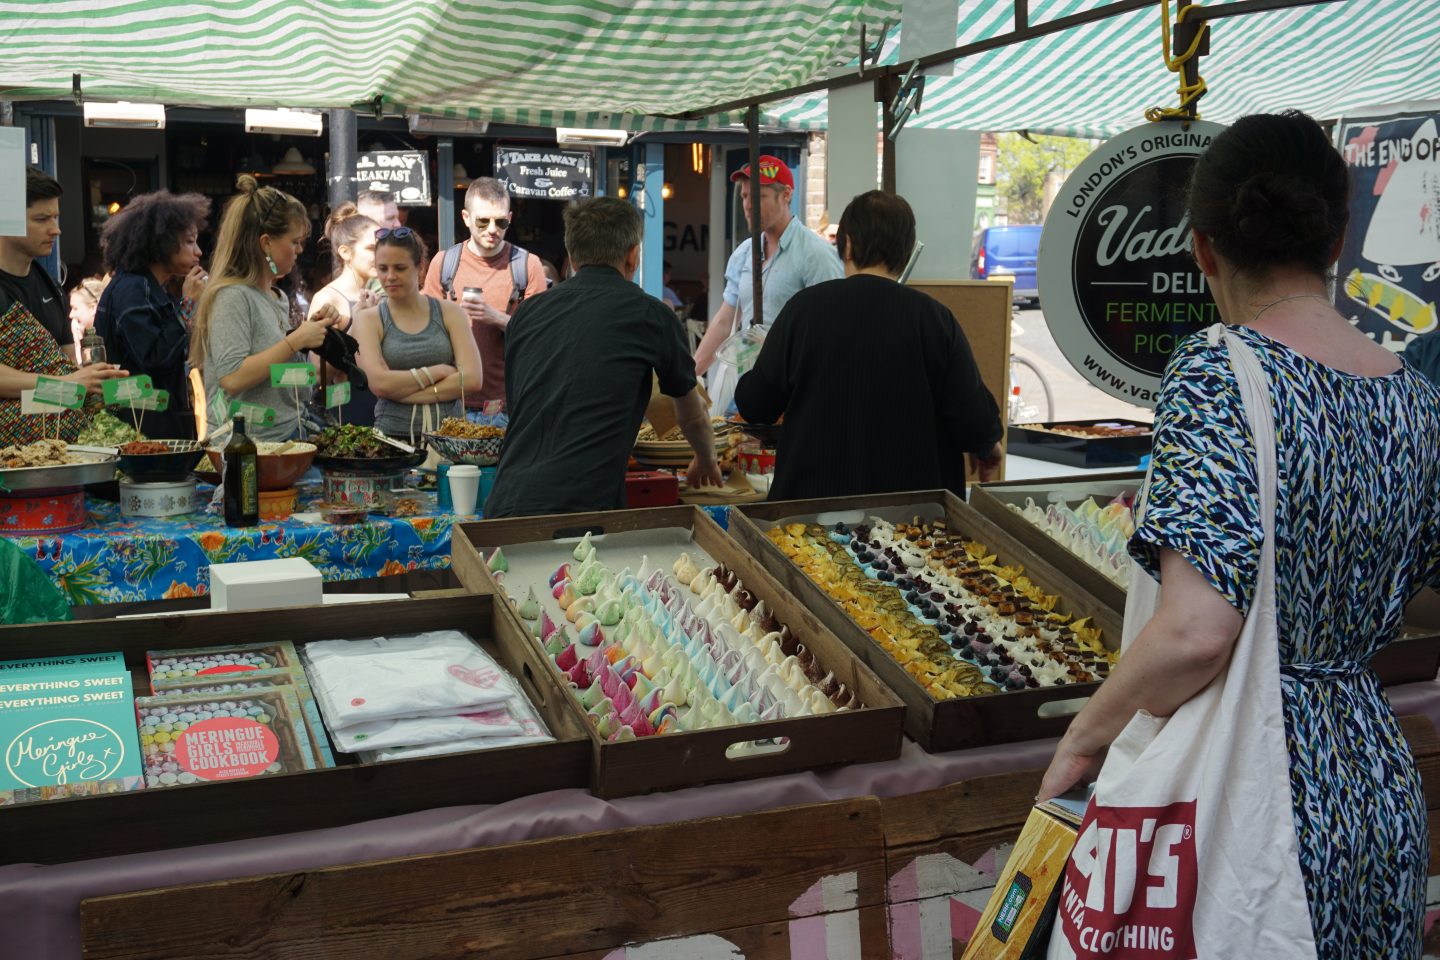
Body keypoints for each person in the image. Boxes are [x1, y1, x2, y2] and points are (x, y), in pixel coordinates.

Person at [1038, 112, 1440, 956]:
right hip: (1373, 780)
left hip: (1257, 799)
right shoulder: (1415, 396)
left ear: (1203, 248)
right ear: (1338, 241)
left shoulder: (1218, 369)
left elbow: (1195, 631)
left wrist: (1086, 733)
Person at [735, 191, 1003, 498]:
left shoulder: (804, 310)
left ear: (847, 244)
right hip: (913, 522)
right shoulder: (934, 319)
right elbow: (971, 414)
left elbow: (757, 405)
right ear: (906, 252)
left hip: (810, 515)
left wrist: (749, 368)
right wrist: (987, 443)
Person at [486, 197, 721, 517]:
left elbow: (520, 406)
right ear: (633, 257)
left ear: (570, 259)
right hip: (584, 510)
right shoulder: (652, 315)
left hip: (506, 502)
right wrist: (706, 460)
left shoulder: (526, 313)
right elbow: (691, 415)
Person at [692, 155, 843, 415]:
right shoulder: (744, 254)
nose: (749, 205)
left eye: (759, 197)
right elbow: (724, 321)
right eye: (745, 197)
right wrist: (688, 376)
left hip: (794, 394)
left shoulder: (815, 254)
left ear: (786, 195)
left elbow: (832, 330)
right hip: (746, 387)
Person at [192, 175, 336, 442]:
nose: (299, 250)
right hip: (245, 451)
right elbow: (233, 377)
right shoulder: (232, 296)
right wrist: (296, 340)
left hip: (286, 440)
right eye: (294, 242)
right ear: (266, 243)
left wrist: (311, 332)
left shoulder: (276, 296)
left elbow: (274, 365)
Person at [0, 167, 127, 445]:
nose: (55, 229)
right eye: (41, 219)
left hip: (57, 451)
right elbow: (65, 381)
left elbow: (67, 368)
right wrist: (64, 384)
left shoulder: (51, 287)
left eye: (55, 217)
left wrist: (95, 384)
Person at [93, 190, 211, 439]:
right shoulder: (133, 288)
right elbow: (154, 357)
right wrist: (188, 304)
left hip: (154, 422)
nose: (198, 251)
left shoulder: (145, 286)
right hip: (142, 430)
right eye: (189, 241)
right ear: (161, 243)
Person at [422, 177, 546, 410]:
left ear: (510, 219)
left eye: (500, 222)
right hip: (451, 401)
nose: (492, 229)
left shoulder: (528, 265)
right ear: (466, 218)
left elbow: (540, 336)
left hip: (505, 405)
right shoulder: (444, 262)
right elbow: (426, 330)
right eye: (483, 221)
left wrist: (496, 318)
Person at [349, 227, 482, 444]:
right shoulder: (368, 319)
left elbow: (473, 379)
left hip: (451, 438)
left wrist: (402, 392)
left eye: (400, 268)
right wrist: (438, 372)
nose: (390, 276)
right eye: (382, 268)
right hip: (393, 440)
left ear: (420, 267)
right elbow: (379, 383)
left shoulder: (450, 312)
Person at [309, 203, 381, 425]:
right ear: (345, 252)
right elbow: (316, 375)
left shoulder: (378, 295)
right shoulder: (327, 299)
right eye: (371, 248)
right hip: (346, 417)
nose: (379, 255)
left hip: (383, 410)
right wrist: (356, 325)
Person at [68, 276, 108, 364]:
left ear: (93, 308)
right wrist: (77, 343)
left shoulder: (109, 338)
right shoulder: (77, 333)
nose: (70, 315)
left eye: (75, 308)